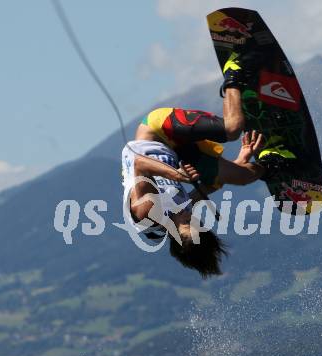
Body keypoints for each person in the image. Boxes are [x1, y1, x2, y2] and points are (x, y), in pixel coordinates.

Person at [121, 52, 293, 277]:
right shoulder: (184, 213)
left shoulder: (146, 213)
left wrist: (178, 175)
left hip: (157, 132)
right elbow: (212, 185)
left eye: (189, 223)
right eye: (199, 222)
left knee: (232, 129)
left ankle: (234, 71)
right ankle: (272, 159)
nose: (193, 217)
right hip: (180, 152)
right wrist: (243, 159)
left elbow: (140, 165)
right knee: (243, 177)